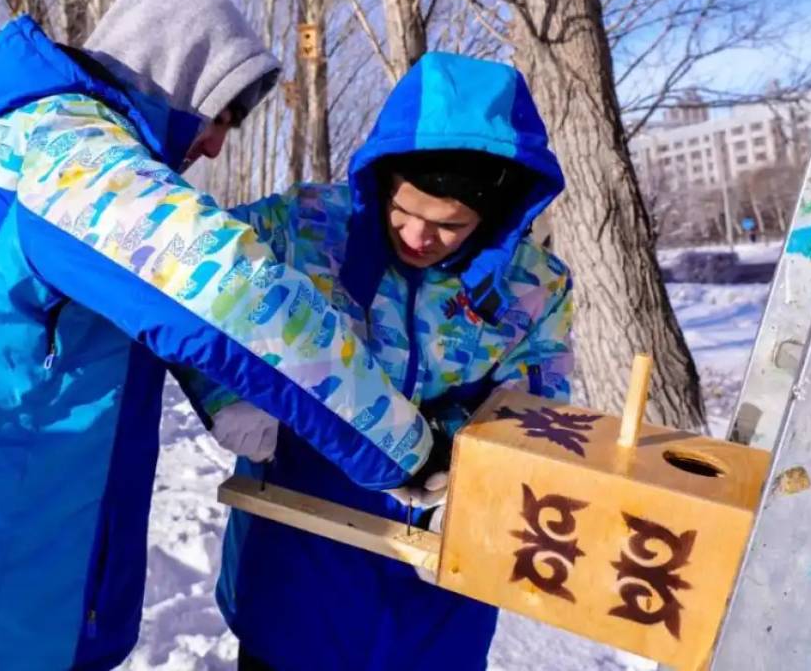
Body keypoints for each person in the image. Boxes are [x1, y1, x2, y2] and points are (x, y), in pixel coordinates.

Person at [0, 0, 446, 671]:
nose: (218, 143)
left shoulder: (17, 143)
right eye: (220, 112)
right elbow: (237, 300)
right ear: (172, 73)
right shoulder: (73, 157)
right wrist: (409, 449)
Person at [183, 53, 575, 671]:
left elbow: (537, 406)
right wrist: (223, 391)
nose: (419, 237)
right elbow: (186, 275)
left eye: (451, 225)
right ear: (383, 178)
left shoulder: (534, 287)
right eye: (406, 210)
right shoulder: (306, 227)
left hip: (439, 589)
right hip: (297, 565)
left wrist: (476, 464)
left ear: (496, 216)